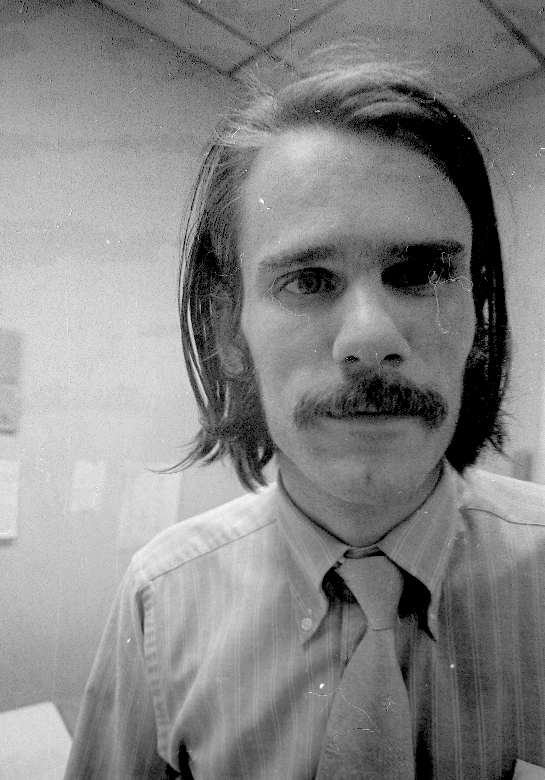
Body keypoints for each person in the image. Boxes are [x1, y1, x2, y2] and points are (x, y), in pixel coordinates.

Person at [64, 44, 545, 780]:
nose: (370, 338)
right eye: (309, 279)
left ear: (477, 315)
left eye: (419, 273)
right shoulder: (159, 601)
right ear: (230, 331)